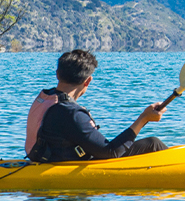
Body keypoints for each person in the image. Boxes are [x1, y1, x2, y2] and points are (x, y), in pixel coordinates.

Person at [25, 49, 169, 162]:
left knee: (152, 143)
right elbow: (110, 152)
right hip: (66, 165)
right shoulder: (71, 113)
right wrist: (143, 119)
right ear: (88, 81)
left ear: (57, 74)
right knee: (153, 144)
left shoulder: (45, 98)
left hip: (46, 158)